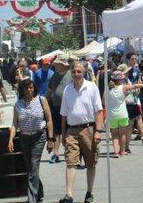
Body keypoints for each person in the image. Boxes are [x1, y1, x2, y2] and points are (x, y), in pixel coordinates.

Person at [59, 61, 104, 203]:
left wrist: (98, 131)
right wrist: (63, 133)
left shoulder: (91, 88)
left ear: (84, 72)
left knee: (90, 163)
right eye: (74, 72)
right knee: (70, 162)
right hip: (72, 130)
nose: (76, 74)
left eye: (79, 71)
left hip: (89, 129)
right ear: (71, 73)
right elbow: (63, 115)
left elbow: (99, 111)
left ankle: (89, 192)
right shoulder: (67, 89)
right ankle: (69, 195)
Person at [8, 79, 54, 203]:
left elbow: (49, 120)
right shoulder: (18, 105)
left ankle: (32, 199)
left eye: (32, 87)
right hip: (24, 138)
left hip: (39, 137)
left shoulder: (41, 100)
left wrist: (50, 139)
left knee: (33, 166)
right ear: (22, 90)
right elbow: (14, 123)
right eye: (27, 88)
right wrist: (11, 139)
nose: (30, 90)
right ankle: (39, 191)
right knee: (30, 167)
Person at [107, 69, 143, 157]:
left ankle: (116, 152)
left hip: (112, 115)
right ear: (120, 80)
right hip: (122, 114)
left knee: (114, 134)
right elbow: (134, 86)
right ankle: (122, 151)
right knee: (122, 133)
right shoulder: (123, 88)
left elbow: (105, 102)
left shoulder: (108, 89)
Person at [45, 53, 72, 164]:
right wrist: (44, 103)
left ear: (64, 64)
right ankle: (56, 154)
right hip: (56, 107)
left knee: (69, 131)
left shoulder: (71, 75)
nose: (55, 65)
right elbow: (49, 91)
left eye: (58, 64)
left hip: (69, 108)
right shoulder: (54, 75)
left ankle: (70, 154)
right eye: (55, 64)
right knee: (57, 132)